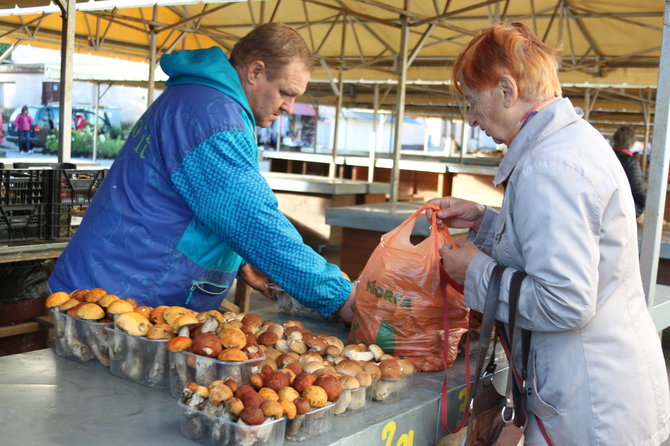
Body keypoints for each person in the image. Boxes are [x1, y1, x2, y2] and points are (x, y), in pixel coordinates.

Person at [427, 22, 669, 445]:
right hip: (603, 385)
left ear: (506, 90)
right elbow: (559, 244)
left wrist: (475, 270)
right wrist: (486, 220)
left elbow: (564, 300)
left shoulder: (550, 166)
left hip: (591, 403)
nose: (470, 118)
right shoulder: (570, 145)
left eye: (471, 99)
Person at [48, 23, 355, 321]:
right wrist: (336, 295)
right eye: (286, 93)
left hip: (122, 279)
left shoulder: (201, 98)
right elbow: (253, 220)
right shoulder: (215, 120)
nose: (290, 106)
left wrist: (239, 255)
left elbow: (200, 199)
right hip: (120, 293)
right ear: (255, 71)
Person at [612, 125, 646, 218]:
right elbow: (638, 190)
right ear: (632, 142)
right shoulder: (630, 161)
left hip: (604, 208)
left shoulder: (606, 156)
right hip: (623, 212)